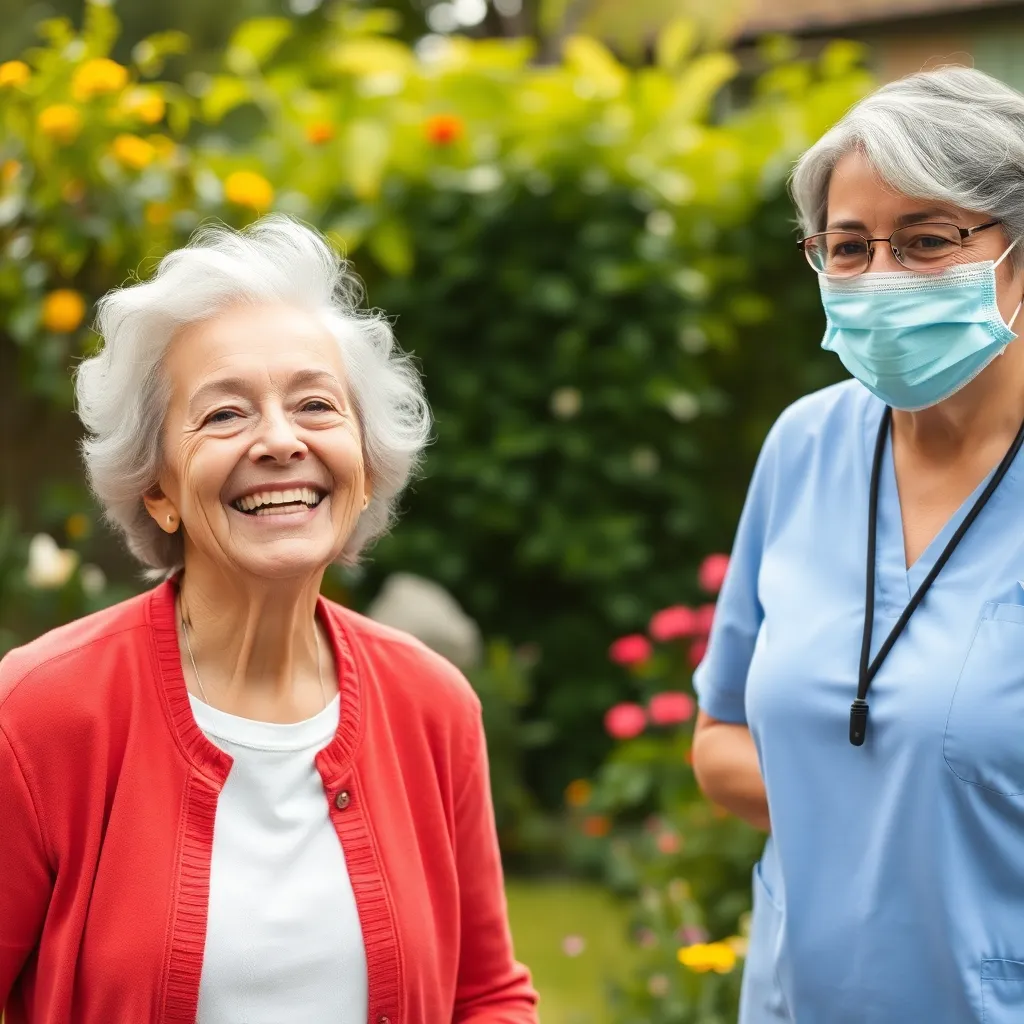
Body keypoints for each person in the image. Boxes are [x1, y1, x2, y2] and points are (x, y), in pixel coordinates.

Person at [0, 216, 539, 1024]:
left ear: (364, 467)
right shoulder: (40, 713)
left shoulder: (433, 705)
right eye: (224, 415)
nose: (281, 441)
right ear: (159, 487)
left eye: (316, 405)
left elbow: (485, 995)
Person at [691, 66, 1024, 1023]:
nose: (880, 278)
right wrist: (869, 799)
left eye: (926, 242)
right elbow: (719, 741)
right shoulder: (805, 445)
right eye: (847, 247)